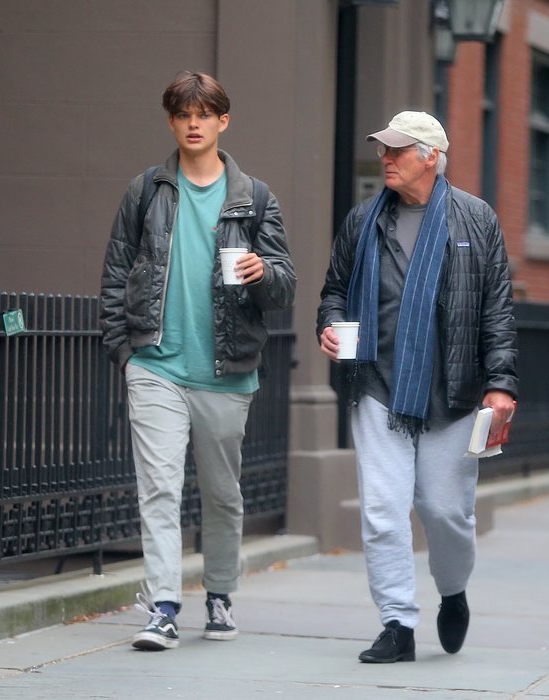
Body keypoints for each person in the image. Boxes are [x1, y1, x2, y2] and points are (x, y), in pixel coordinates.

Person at [99, 72, 296, 651]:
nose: (193, 123)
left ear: (222, 121)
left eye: (203, 114)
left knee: (220, 491)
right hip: (156, 363)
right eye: (183, 114)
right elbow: (116, 271)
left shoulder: (255, 199)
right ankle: (162, 607)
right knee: (158, 487)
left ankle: (219, 592)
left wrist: (265, 273)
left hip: (226, 369)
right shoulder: (146, 190)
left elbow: (286, 286)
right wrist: (125, 350)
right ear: (171, 121)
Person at [317, 111, 518, 663]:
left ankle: (452, 592)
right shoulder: (363, 221)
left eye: (397, 150)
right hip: (378, 385)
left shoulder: (475, 219)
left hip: (452, 394)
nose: (385, 158)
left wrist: (501, 384)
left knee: (446, 513)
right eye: (383, 149)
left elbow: (497, 311)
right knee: (383, 510)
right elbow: (333, 290)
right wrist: (329, 327)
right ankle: (397, 623)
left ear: (430, 156)